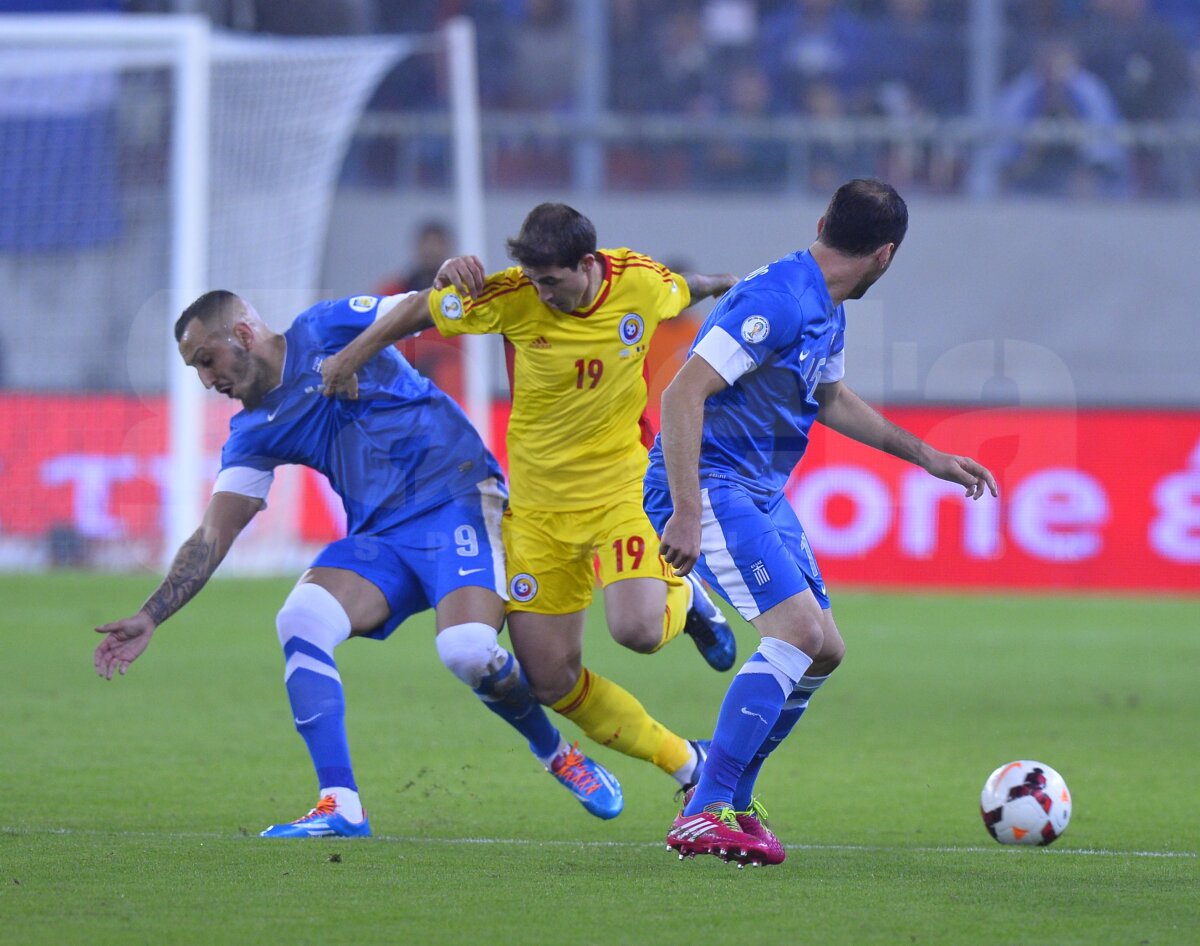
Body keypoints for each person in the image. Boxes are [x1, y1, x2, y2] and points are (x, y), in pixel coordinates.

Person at [93, 289, 624, 838]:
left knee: (466, 652)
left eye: (207, 360)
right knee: (300, 620)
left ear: (244, 334)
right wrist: (151, 614)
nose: (207, 381)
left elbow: (424, 304)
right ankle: (340, 802)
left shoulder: (327, 327)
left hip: (458, 501)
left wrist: (395, 321)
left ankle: (557, 753)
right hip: (380, 540)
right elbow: (212, 535)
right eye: (196, 370)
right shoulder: (254, 431)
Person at [320, 203, 738, 797]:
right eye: (533, 280)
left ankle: (686, 598)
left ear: (587, 264)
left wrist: (731, 285)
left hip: (617, 493)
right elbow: (418, 309)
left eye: (552, 281)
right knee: (550, 679)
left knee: (639, 631)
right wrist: (346, 360)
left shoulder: (638, 282)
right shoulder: (514, 297)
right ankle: (688, 762)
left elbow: (686, 288)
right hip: (538, 514)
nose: (540, 292)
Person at [643, 179, 998, 866]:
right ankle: (705, 807)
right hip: (710, 486)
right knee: (797, 633)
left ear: (823, 222)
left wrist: (925, 455)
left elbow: (829, 399)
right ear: (885, 254)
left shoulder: (825, 308)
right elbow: (684, 390)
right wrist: (686, 510)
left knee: (824, 648)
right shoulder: (775, 298)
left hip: (759, 493)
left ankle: (731, 800)